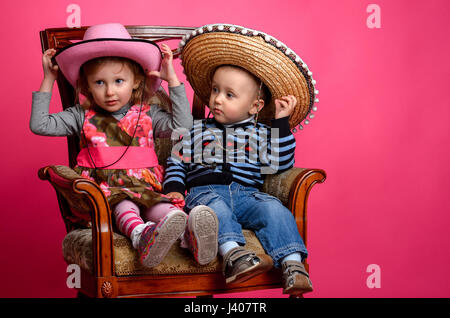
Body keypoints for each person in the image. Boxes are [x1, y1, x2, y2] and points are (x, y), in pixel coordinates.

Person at [30, 23, 218, 268]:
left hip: (146, 188)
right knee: (125, 205)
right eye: (99, 83)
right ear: (86, 85)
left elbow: (182, 127)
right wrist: (49, 79)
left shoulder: (149, 114)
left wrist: (172, 79)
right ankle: (141, 236)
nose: (110, 91)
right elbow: (40, 124)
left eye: (119, 81)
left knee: (165, 211)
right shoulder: (81, 115)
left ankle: (189, 236)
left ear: (136, 82)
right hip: (107, 193)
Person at [163, 24, 319, 295]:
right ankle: (234, 255)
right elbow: (177, 160)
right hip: (206, 193)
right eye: (214, 90)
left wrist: (281, 124)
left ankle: (293, 265)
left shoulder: (261, 133)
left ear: (255, 107)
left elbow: (278, 164)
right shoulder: (197, 129)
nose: (217, 100)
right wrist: (174, 188)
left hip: (248, 195)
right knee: (214, 212)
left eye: (229, 94)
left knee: (274, 210)